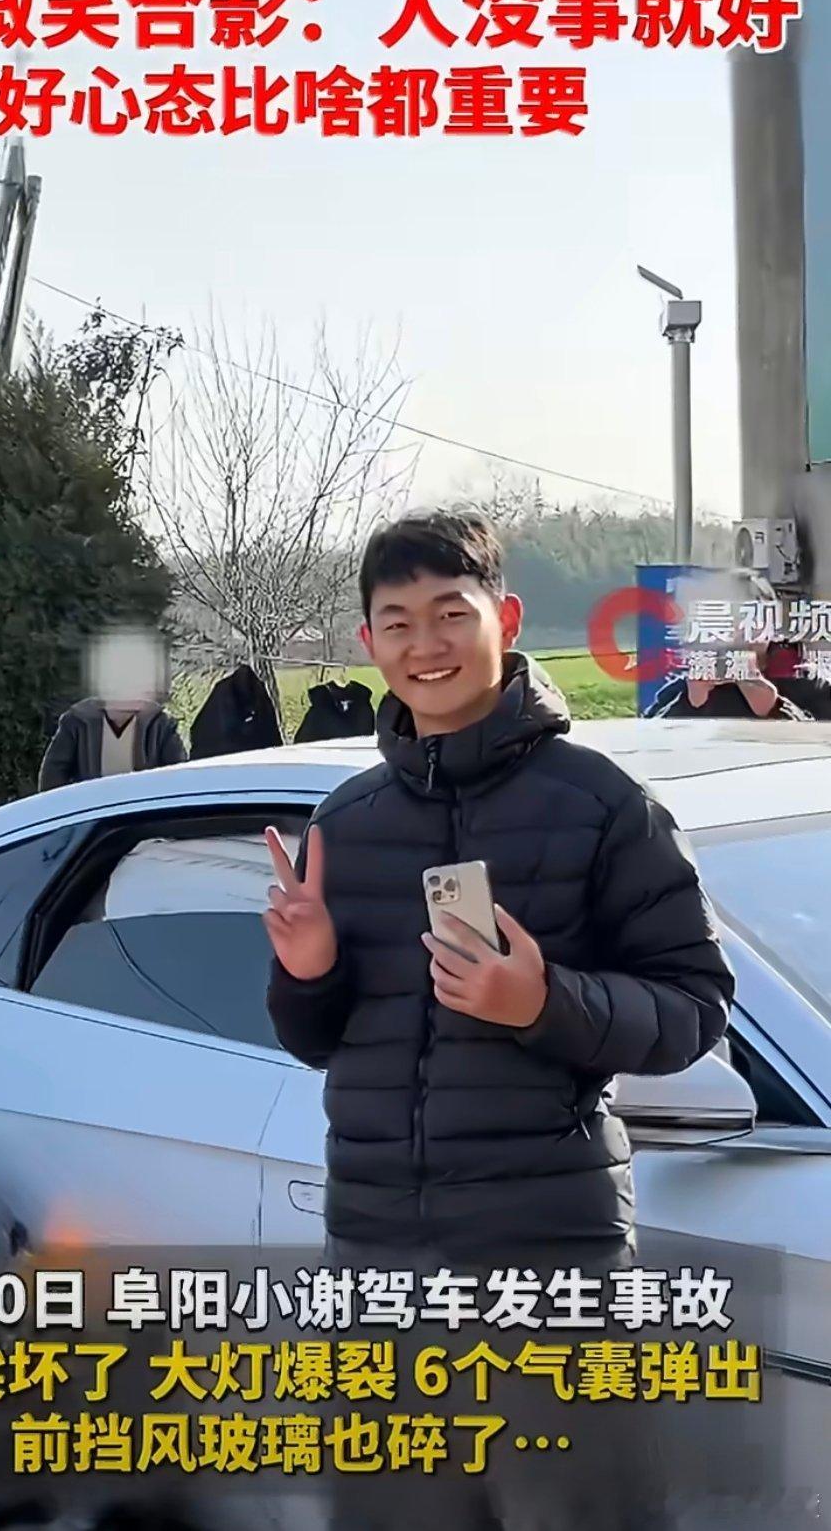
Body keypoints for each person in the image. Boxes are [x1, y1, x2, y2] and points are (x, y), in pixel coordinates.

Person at [263, 510, 735, 1266]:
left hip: (552, 1249)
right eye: (398, 624)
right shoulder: (344, 823)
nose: (425, 645)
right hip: (373, 1249)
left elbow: (695, 1009)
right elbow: (314, 1042)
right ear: (369, 643)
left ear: (507, 619)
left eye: (451, 615)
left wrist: (543, 1002)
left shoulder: (605, 806)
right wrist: (308, 971)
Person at [645, 568, 820, 720]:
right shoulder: (685, 688)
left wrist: (775, 707)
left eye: (750, 619)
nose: (740, 631)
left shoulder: (807, 683)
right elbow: (648, 737)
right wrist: (689, 704)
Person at [38, 694, 186, 789]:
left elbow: (178, 778)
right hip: (92, 816)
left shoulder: (161, 725)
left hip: (146, 817)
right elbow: (52, 777)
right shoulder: (77, 722)